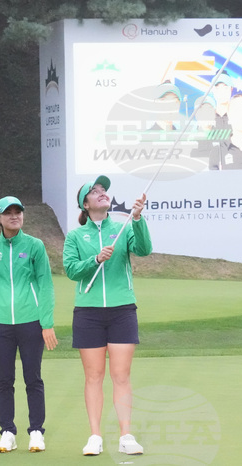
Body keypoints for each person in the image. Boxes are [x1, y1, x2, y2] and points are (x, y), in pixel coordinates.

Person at [62, 175, 152, 457]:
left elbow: (144, 249)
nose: (102, 193)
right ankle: (95, 436)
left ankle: (126, 435)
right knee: (94, 376)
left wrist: (137, 219)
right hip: (88, 312)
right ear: (85, 204)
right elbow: (72, 270)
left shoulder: (123, 226)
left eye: (104, 190)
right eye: (95, 191)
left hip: (122, 309)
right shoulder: (76, 236)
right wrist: (96, 259)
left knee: (121, 375)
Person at [0, 196, 58, 453]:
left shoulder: (34, 246)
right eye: (8, 213)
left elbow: (45, 285)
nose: (14, 216)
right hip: (0, 324)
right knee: (4, 380)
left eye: (18, 212)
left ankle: (36, 431)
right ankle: (8, 431)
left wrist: (47, 323)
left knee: (33, 378)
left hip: (31, 321)